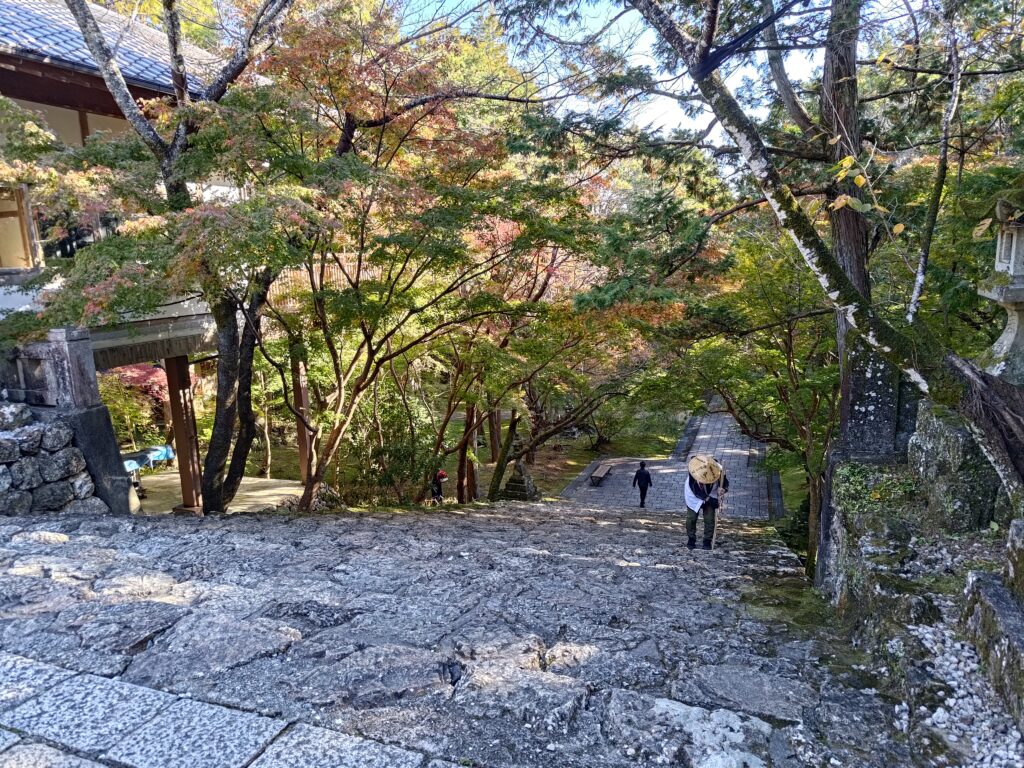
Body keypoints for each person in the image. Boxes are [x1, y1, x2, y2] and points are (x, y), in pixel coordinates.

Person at [684, 454, 728, 550]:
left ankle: (707, 541)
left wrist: (723, 488)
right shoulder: (693, 472)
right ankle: (691, 539)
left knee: (709, 519)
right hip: (694, 497)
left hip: (711, 493)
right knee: (691, 518)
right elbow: (695, 489)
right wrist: (708, 499)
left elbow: (725, 482)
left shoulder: (717, 471)